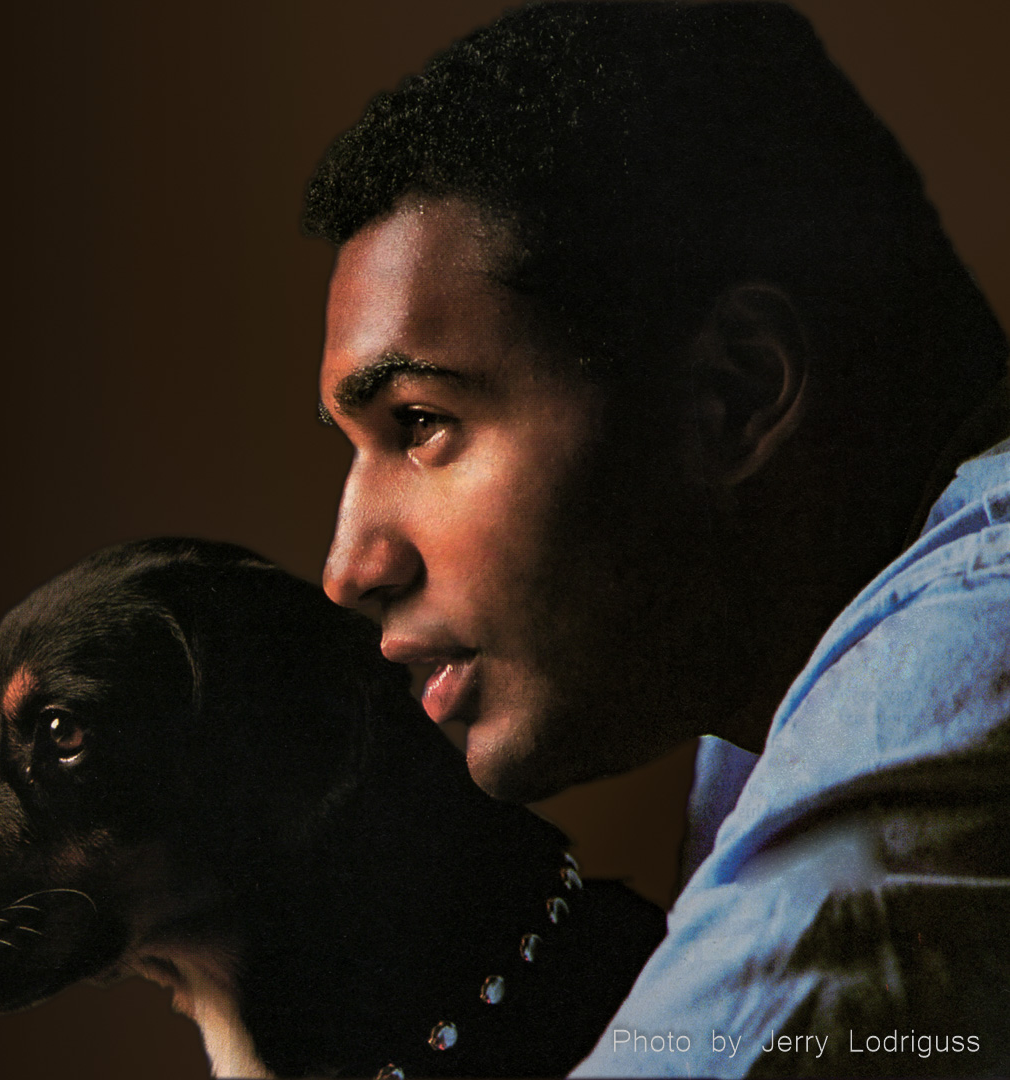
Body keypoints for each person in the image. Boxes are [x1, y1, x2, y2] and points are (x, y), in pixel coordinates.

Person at [304, 2, 1008, 1075]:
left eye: (421, 424)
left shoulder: (966, 656)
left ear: (731, 393)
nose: (351, 568)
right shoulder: (778, 684)